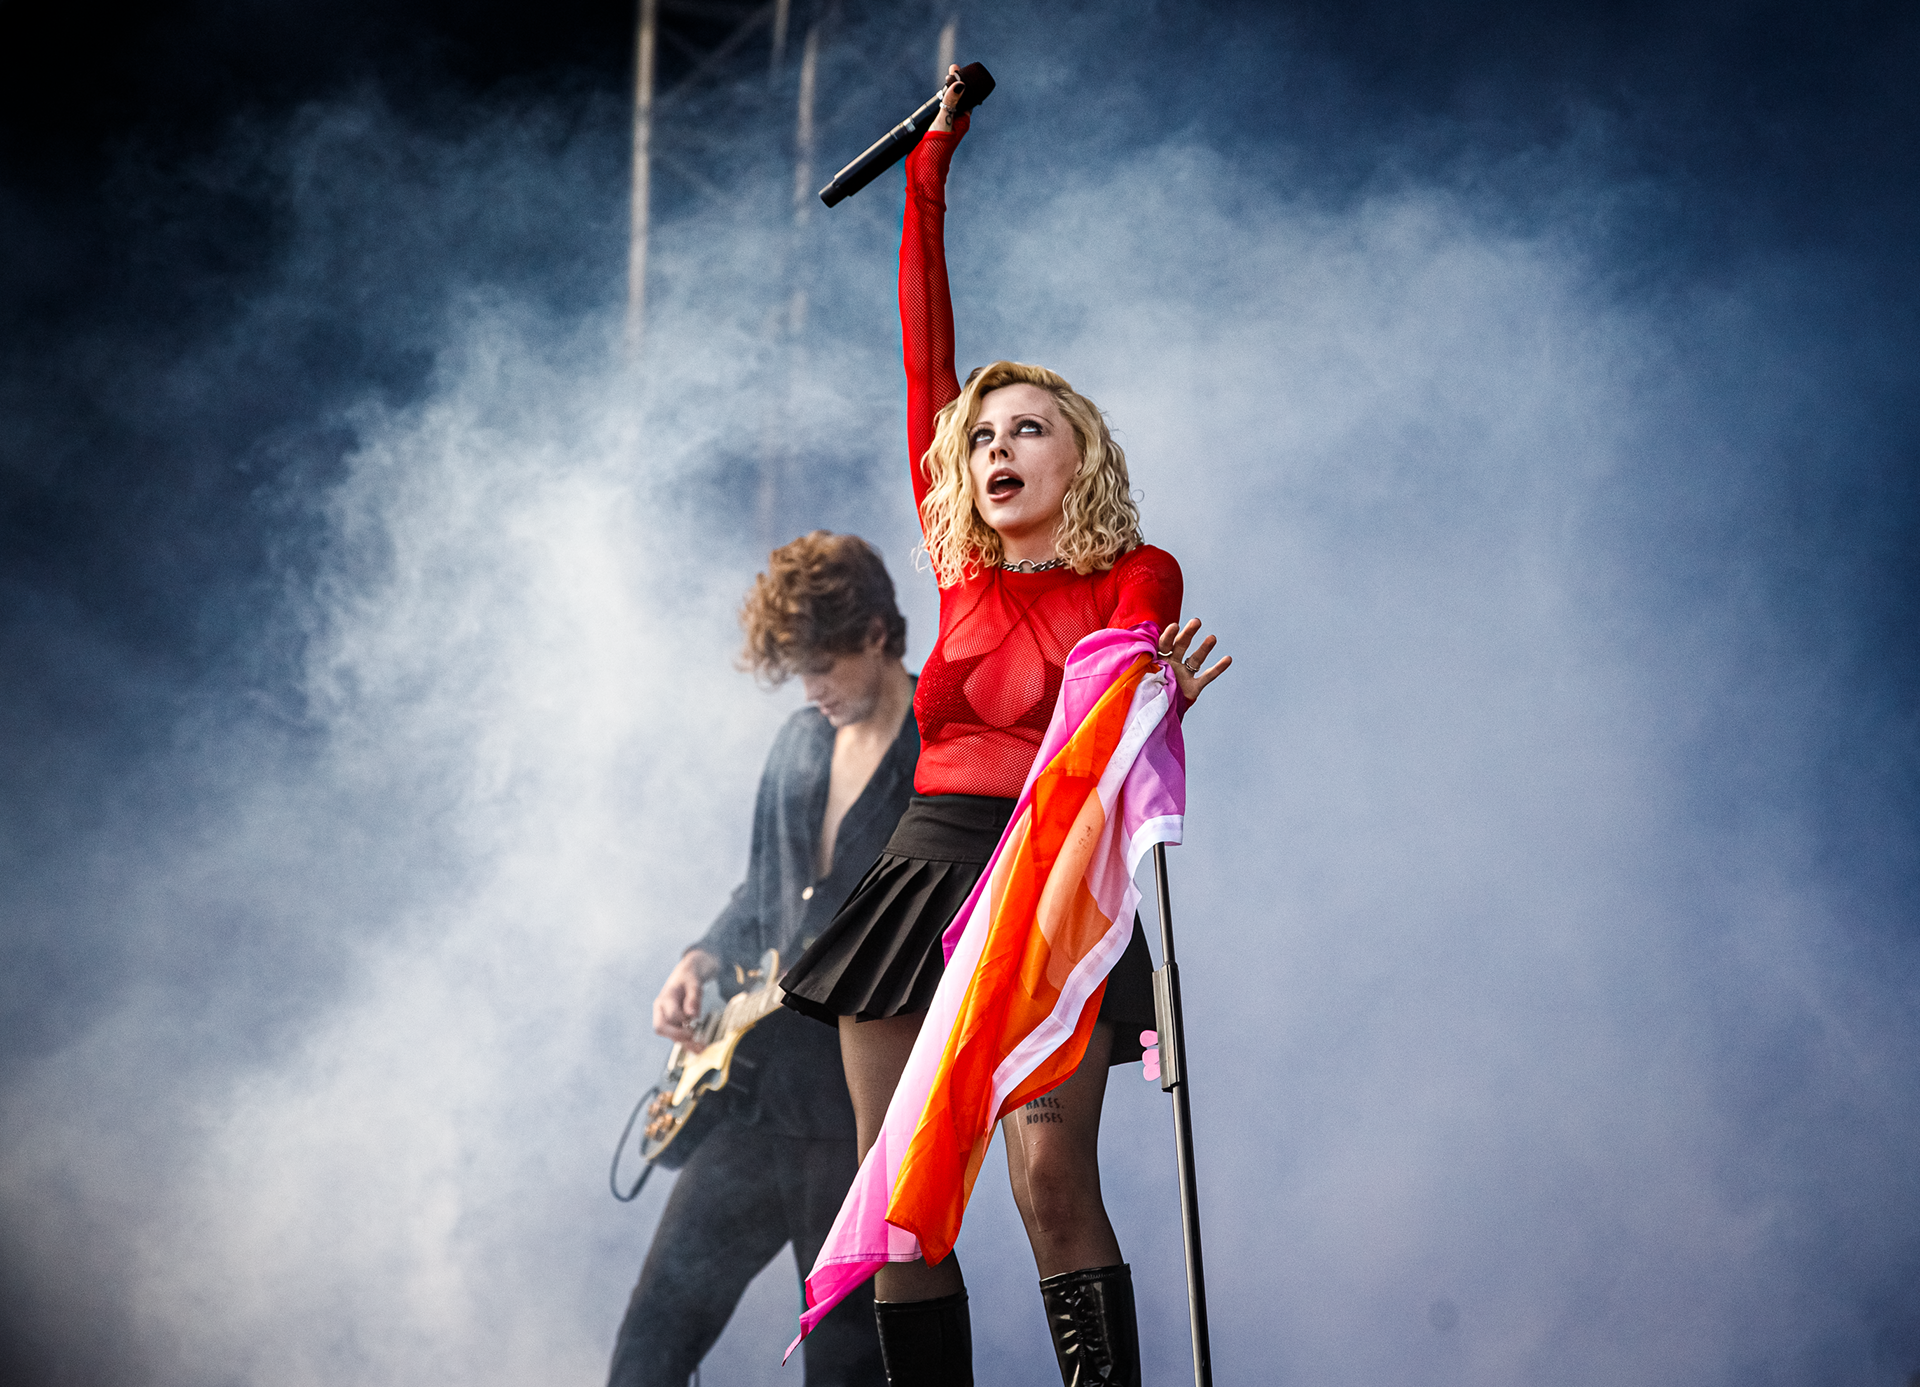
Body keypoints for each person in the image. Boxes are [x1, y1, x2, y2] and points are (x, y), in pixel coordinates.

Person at [779, 70, 1232, 1387]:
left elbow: (1117, 681)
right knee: (907, 1204)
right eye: (981, 434)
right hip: (919, 870)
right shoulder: (959, 571)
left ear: (1076, 456)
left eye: (1027, 426)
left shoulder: (1136, 572)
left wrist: (1149, 701)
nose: (995, 446)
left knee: (1045, 1173)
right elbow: (927, 353)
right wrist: (926, 176)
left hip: (1040, 882)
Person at [607, 532, 921, 1387]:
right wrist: (700, 957)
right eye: (796, 670)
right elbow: (763, 890)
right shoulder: (798, 739)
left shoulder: (939, 754)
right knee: (648, 1346)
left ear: (876, 634)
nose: (811, 688)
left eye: (822, 664)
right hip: (748, 1098)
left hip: (853, 1119)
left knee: (847, 1367)